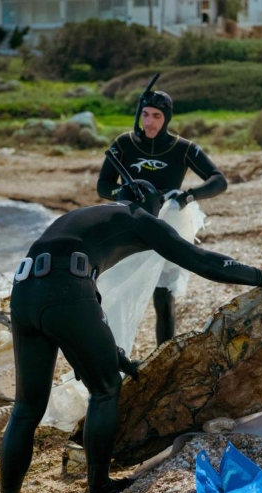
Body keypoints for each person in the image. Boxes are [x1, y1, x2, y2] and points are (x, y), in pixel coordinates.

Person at [0, 193, 262, 493]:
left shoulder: (86, 216)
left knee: (26, 409)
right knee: (105, 390)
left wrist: (113, 354)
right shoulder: (139, 217)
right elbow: (201, 261)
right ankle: (99, 487)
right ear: (150, 203)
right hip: (67, 291)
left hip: (24, 293)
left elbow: (79, 296)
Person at [97, 85, 228, 346]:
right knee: (115, 291)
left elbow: (219, 180)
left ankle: (165, 353)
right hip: (129, 223)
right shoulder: (124, 143)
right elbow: (103, 185)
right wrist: (124, 192)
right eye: (145, 114)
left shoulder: (182, 148)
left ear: (166, 118)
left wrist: (187, 196)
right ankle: (112, 352)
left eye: (156, 116)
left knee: (164, 298)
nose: (149, 122)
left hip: (167, 223)